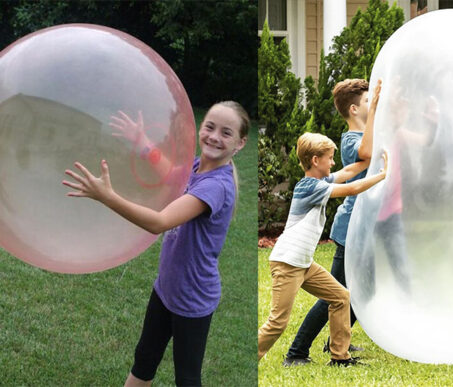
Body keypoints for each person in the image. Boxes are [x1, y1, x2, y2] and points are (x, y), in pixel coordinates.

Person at [62, 101, 249, 385]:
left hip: (193, 298)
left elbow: (159, 222)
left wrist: (107, 196)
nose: (214, 136)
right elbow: (171, 173)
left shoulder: (217, 186)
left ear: (240, 143)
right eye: (210, 127)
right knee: (145, 359)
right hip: (166, 289)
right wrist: (143, 142)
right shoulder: (198, 167)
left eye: (226, 133)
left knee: (187, 378)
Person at [258, 132, 388, 367]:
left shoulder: (320, 182)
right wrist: (382, 175)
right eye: (329, 158)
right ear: (315, 160)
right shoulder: (309, 187)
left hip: (304, 264)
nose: (333, 163)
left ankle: (340, 357)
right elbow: (352, 188)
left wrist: (374, 158)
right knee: (277, 323)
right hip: (288, 263)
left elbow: (349, 173)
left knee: (341, 297)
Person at [283, 79, 379, 366]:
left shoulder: (368, 134)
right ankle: (296, 352)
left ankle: (337, 341)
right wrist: (374, 107)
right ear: (354, 109)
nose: (371, 106)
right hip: (351, 227)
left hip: (366, 226)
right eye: (365, 102)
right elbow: (367, 153)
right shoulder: (352, 140)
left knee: (366, 289)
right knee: (333, 293)